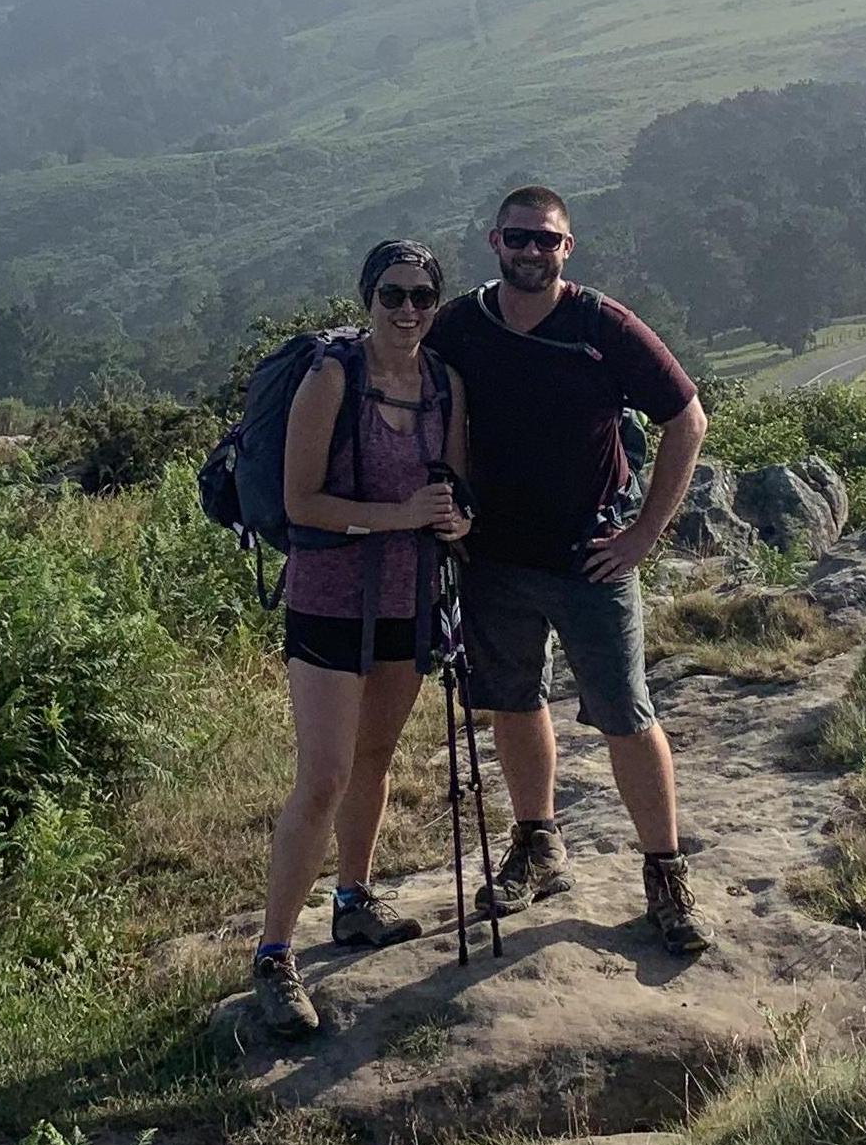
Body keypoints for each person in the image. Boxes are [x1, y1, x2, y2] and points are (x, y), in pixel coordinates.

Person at [428, 184, 711, 957]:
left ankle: (665, 872)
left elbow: (687, 416)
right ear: (493, 242)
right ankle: (538, 844)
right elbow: (432, 410)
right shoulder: (461, 325)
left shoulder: (602, 325)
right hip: (493, 558)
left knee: (626, 712)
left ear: (568, 248)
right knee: (515, 702)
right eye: (518, 239)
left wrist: (644, 534)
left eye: (546, 241)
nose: (531, 252)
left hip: (592, 556)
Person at [248, 238, 472, 1041]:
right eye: (392, 295)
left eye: (421, 297)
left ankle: (353, 899)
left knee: (376, 757)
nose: (407, 310)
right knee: (325, 775)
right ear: (366, 299)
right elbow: (301, 502)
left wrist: (453, 518)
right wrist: (402, 517)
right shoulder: (331, 378)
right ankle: (274, 954)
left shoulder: (444, 384)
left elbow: (452, 490)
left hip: (410, 599)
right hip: (330, 601)